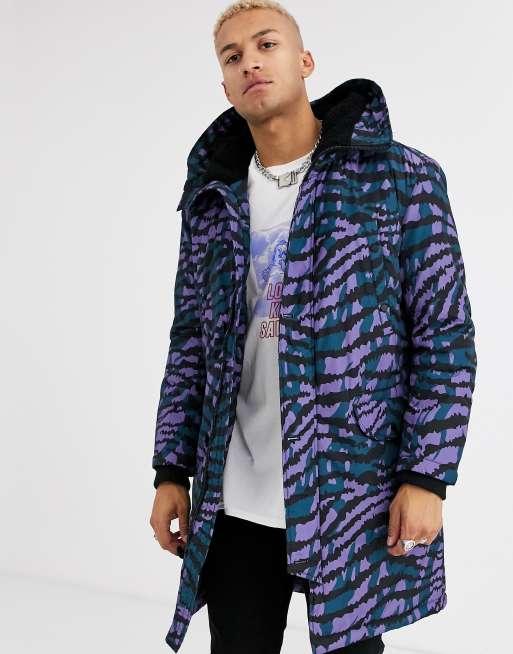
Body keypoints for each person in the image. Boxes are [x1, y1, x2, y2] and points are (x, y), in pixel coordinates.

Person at [149, 2, 477, 653]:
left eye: (265, 44)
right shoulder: (212, 197)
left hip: (352, 485)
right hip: (232, 493)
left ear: (304, 61)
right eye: (232, 56)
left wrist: (426, 475)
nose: (250, 62)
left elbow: (444, 336)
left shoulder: (398, 179)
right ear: (224, 84)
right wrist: (170, 470)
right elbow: (189, 344)